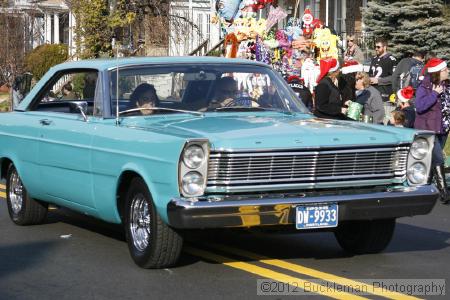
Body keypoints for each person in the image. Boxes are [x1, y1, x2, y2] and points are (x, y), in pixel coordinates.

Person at [414, 57, 450, 204]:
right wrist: (434, 94)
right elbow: (420, 106)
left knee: (431, 160)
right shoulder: (425, 87)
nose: (448, 71)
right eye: (445, 69)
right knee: (438, 159)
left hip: (443, 128)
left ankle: (423, 188)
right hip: (428, 129)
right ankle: (444, 193)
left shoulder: (447, 85)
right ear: (437, 73)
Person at [368, 38, 397, 124]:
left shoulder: (391, 60)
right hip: (372, 93)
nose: (376, 49)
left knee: (382, 119)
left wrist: (379, 81)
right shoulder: (374, 59)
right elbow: (370, 74)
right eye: (375, 47)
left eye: (378, 47)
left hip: (384, 94)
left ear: (385, 47)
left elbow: (394, 78)